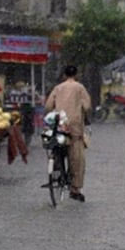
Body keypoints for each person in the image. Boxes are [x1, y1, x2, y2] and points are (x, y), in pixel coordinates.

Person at [45, 65, 92, 202]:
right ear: (76, 75)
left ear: (64, 75)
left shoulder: (58, 88)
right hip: (74, 129)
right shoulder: (80, 88)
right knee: (77, 160)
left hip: (59, 127)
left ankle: (57, 168)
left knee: (57, 149)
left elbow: (48, 106)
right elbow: (87, 106)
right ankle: (75, 189)